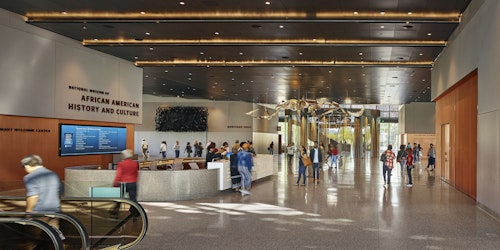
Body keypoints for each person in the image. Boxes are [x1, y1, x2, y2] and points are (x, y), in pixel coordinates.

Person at [20, 154, 64, 248]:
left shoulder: (30, 177)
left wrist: (28, 212)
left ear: (27, 165)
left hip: (38, 213)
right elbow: (60, 192)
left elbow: (33, 196)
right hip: (55, 211)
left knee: (30, 239)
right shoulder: (53, 174)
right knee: (54, 238)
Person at [111, 149, 140, 219]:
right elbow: (136, 174)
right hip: (133, 183)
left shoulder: (121, 164)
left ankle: (114, 213)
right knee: (133, 200)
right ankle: (135, 214)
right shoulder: (135, 164)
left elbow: (118, 175)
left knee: (119, 199)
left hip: (123, 184)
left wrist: (115, 183)